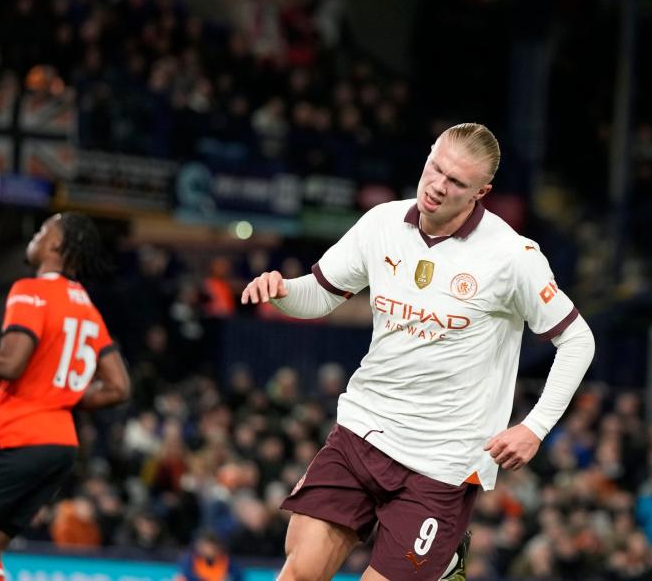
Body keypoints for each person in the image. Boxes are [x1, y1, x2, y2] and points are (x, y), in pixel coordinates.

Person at [242, 123, 595, 581]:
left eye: (456, 182)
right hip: (361, 431)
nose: (437, 186)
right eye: (436, 168)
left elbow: (578, 339)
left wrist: (535, 427)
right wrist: (282, 291)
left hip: (441, 463)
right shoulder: (382, 222)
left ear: (481, 192)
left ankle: (445, 563)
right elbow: (322, 294)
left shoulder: (513, 256)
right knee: (301, 569)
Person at [0, 212, 131, 581]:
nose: (36, 235)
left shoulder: (32, 290)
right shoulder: (87, 306)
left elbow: (10, 363)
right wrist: (61, 397)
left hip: (14, 435)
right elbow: (120, 387)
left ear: (55, 245)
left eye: (43, 230)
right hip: (60, 447)